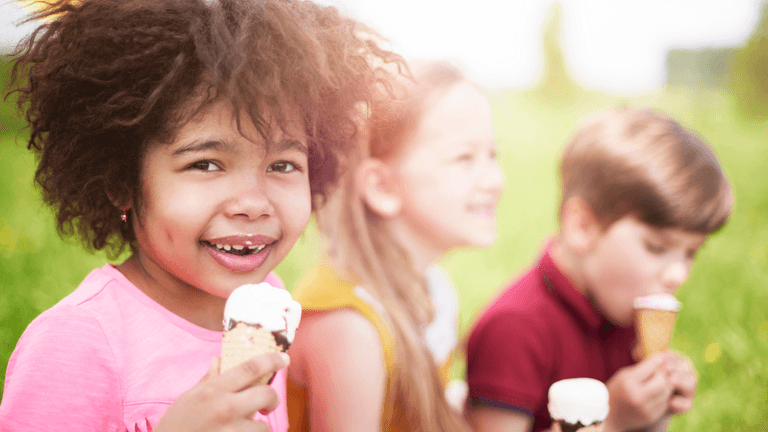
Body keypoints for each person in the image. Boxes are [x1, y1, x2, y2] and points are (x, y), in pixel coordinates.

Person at [0, 0, 401, 430]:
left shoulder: (265, 301)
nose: (254, 203)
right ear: (120, 181)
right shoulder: (77, 340)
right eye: (206, 164)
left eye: (283, 165)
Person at [465, 107, 733, 432]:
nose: (678, 274)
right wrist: (610, 422)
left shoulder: (620, 309)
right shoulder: (513, 329)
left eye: (691, 253)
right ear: (582, 227)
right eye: (656, 247)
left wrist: (656, 409)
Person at [285, 61, 505, 432]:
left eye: (493, 155)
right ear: (382, 186)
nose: (495, 180)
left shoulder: (433, 290)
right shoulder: (350, 330)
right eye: (464, 158)